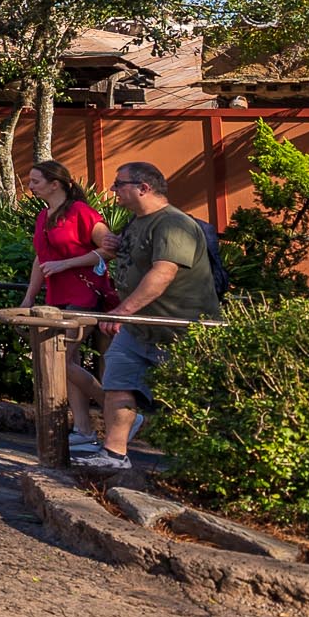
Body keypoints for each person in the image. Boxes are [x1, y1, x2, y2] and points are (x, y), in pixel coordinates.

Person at [68, 161, 220, 473]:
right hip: (139, 329)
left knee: (192, 400)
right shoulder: (135, 222)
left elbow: (163, 273)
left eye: (119, 184)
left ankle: (201, 464)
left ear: (143, 187)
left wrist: (121, 311)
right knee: (118, 385)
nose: (113, 191)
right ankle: (114, 454)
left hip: (180, 330)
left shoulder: (173, 224)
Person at [19, 160, 109, 312]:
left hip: (85, 294)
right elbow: (41, 257)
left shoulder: (80, 211)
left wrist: (66, 263)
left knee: (68, 335)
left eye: (35, 181)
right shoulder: (42, 216)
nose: (31, 187)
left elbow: (109, 250)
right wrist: (29, 297)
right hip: (56, 295)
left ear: (54, 184)